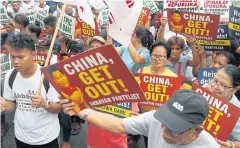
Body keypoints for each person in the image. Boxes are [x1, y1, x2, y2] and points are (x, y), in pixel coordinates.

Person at [60, 89, 220, 148]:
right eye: (164, 123)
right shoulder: (155, 119)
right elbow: (118, 125)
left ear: (196, 132)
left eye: (175, 130)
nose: (164, 132)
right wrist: (83, 111)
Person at [0, 33, 61, 148]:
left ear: (33, 55)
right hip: (21, 136)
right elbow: (12, 104)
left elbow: (58, 108)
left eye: (21, 57)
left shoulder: (48, 76)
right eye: (13, 57)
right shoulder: (10, 75)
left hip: (47, 138)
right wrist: (4, 105)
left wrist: (44, 104)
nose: (15, 61)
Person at [205, 64, 240, 148]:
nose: (215, 87)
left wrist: (232, 145)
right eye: (215, 80)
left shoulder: (236, 111)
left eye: (223, 85)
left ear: (235, 89)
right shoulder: (204, 89)